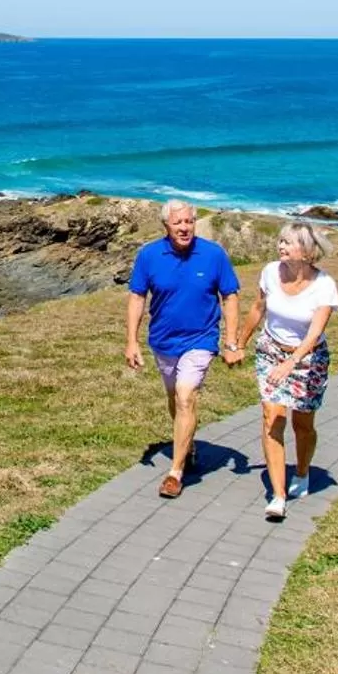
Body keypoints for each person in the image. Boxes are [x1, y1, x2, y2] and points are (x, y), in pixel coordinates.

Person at [124, 200, 241, 499]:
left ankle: (175, 473)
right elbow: (138, 297)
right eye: (178, 223)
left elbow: (230, 296)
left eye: (189, 222)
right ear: (166, 225)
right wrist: (132, 341)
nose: (184, 228)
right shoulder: (149, 255)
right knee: (174, 397)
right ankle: (186, 446)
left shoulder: (213, 255)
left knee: (186, 396)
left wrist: (230, 342)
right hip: (163, 341)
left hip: (201, 340)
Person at [228, 222, 338, 521]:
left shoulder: (324, 285)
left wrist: (291, 363)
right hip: (270, 351)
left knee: (302, 424)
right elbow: (258, 308)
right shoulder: (270, 272)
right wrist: (238, 343)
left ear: (306, 251)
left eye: (288, 243)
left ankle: (302, 472)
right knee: (272, 417)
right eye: (280, 241)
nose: (281, 246)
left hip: (309, 359)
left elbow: (315, 333)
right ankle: (277, 496)